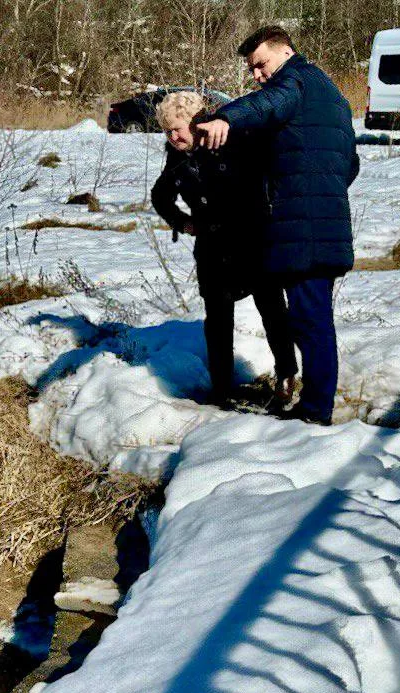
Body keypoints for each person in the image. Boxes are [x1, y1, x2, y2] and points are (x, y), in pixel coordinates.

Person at [196, 26, 360, 425]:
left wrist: (226, 118)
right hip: (319, 220)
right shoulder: (330, 93)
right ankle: (315, 403)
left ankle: (316, 411)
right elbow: (349, 163)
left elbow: (266, 103)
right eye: (252, 69)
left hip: (304, 228)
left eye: (260, 64)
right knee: (311, 317)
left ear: (285, 51)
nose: (257, 75)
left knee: (310, 320)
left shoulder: (296, 82)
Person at [151, 90, 297, 408]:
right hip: (212, 248)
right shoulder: (176, 156)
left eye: (177, 128)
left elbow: (272, 171)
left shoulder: (231, 141)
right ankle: (221, 390)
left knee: (272, 310)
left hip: (254, 241)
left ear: (197, 122)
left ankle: (287, 376)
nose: (173, 136)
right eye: (167, 131)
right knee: (217, 321)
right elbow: (160, 195)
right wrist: (182, 221)